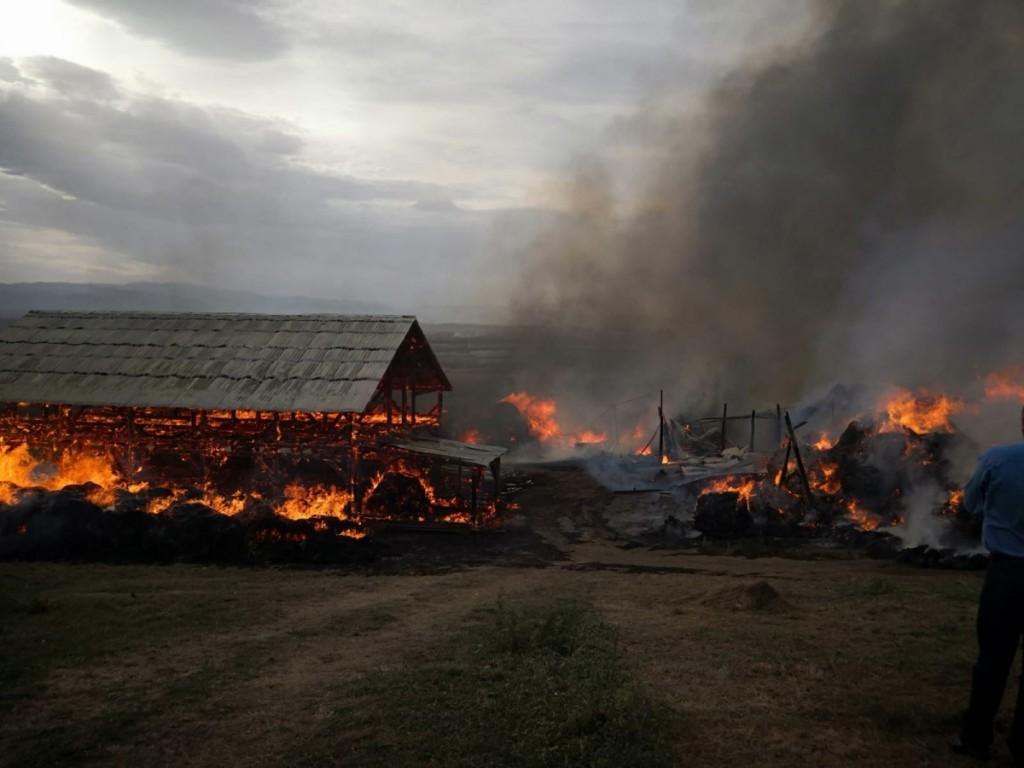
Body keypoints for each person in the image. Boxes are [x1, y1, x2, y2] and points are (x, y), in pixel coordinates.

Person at [956, 442, 1024, 763]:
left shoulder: (998, 459)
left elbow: (970, 503)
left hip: (1007, 573)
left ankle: (976, 738)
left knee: (993, 659)